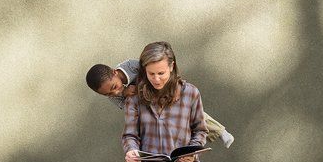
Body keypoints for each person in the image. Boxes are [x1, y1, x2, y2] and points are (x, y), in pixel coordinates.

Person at [85, 59, 234, 147]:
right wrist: (125, 93)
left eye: (114, 87)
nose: (115, 93)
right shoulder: (115, 96)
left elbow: (155, 73)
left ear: (114, 72)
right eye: (108, 94)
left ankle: (220, 131)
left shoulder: (131, 65)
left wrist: (138, 89)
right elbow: (131, 112)